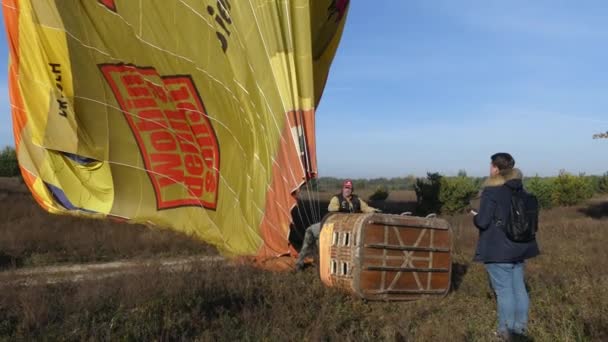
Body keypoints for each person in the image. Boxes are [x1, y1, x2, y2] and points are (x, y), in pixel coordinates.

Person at [471, 153, 540, 341]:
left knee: (504, 293)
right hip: (521, 248)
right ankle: (520, 330)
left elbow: (483, 222)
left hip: (498, 250)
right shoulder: (523, 192)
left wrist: (475, 216)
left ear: (495, 168)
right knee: (519, 290)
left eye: (490, 165)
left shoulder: (492, 191)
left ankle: (506, 333)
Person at [295, 179, 379, 271]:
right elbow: (331, 208)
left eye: (349, 188)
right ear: (342, 188)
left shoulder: (357, 200)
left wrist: (375, 211)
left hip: (350, 226)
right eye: (346, 188)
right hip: (333, 224)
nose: (347, 190)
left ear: (352, 190)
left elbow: (366, 208)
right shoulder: (337, 199)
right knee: (310, 231)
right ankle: (300, 263)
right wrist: (341, 208)